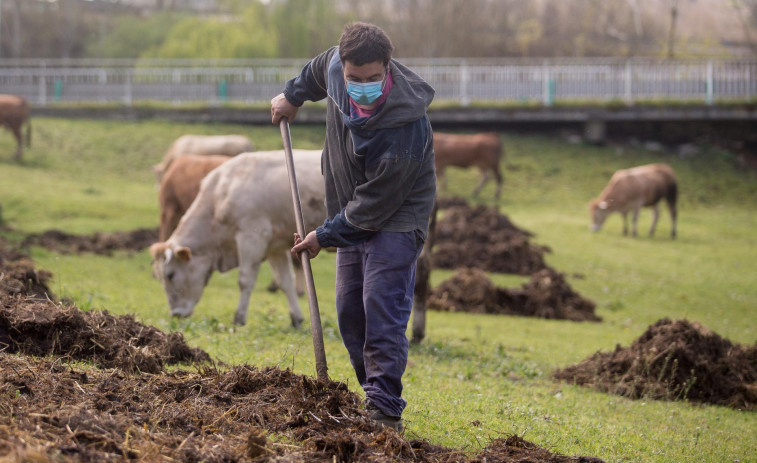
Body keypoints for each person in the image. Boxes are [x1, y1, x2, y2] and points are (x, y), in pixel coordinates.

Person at [270, 22, 436, 432]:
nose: (362, 86)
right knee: (349, 312)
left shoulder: (406, 125)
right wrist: (292, 96)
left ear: (388, 68)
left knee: (381, 308)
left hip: (396, 218)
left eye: (373, 78)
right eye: (354, 79)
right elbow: (316, 69)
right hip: (349, 210)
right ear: (343, 68)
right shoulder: (333, 69)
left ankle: (384, 410)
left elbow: (376, 205)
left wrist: (323, 235)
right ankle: (372, 394)